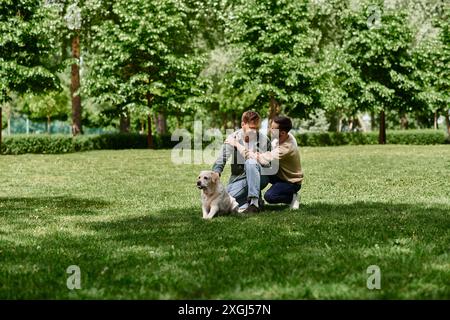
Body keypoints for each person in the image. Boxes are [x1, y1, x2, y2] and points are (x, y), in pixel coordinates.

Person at [225, 115, 303, 209]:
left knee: (270, 196)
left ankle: (292, 197)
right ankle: (255, 200)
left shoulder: (286, 148)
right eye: (271, 126)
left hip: (289, 181)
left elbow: (262, 159)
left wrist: (237, 144)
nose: (270, 130)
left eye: (273, 128)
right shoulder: (284, 136)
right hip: (277, 173)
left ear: (282, 133)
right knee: (253, 166)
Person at [212, 111, 271, 213]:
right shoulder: (233, 138)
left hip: (260, 176)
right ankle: (254, 202)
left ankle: (254, 203)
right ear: (243, 124)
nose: (255, 131)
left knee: (250, 162)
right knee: (221, 202)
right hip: (238, 179)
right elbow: (221, 159)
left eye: (257, 128)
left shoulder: (264, 140)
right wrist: (216, 173)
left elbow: (269, 164)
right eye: (252, 128)